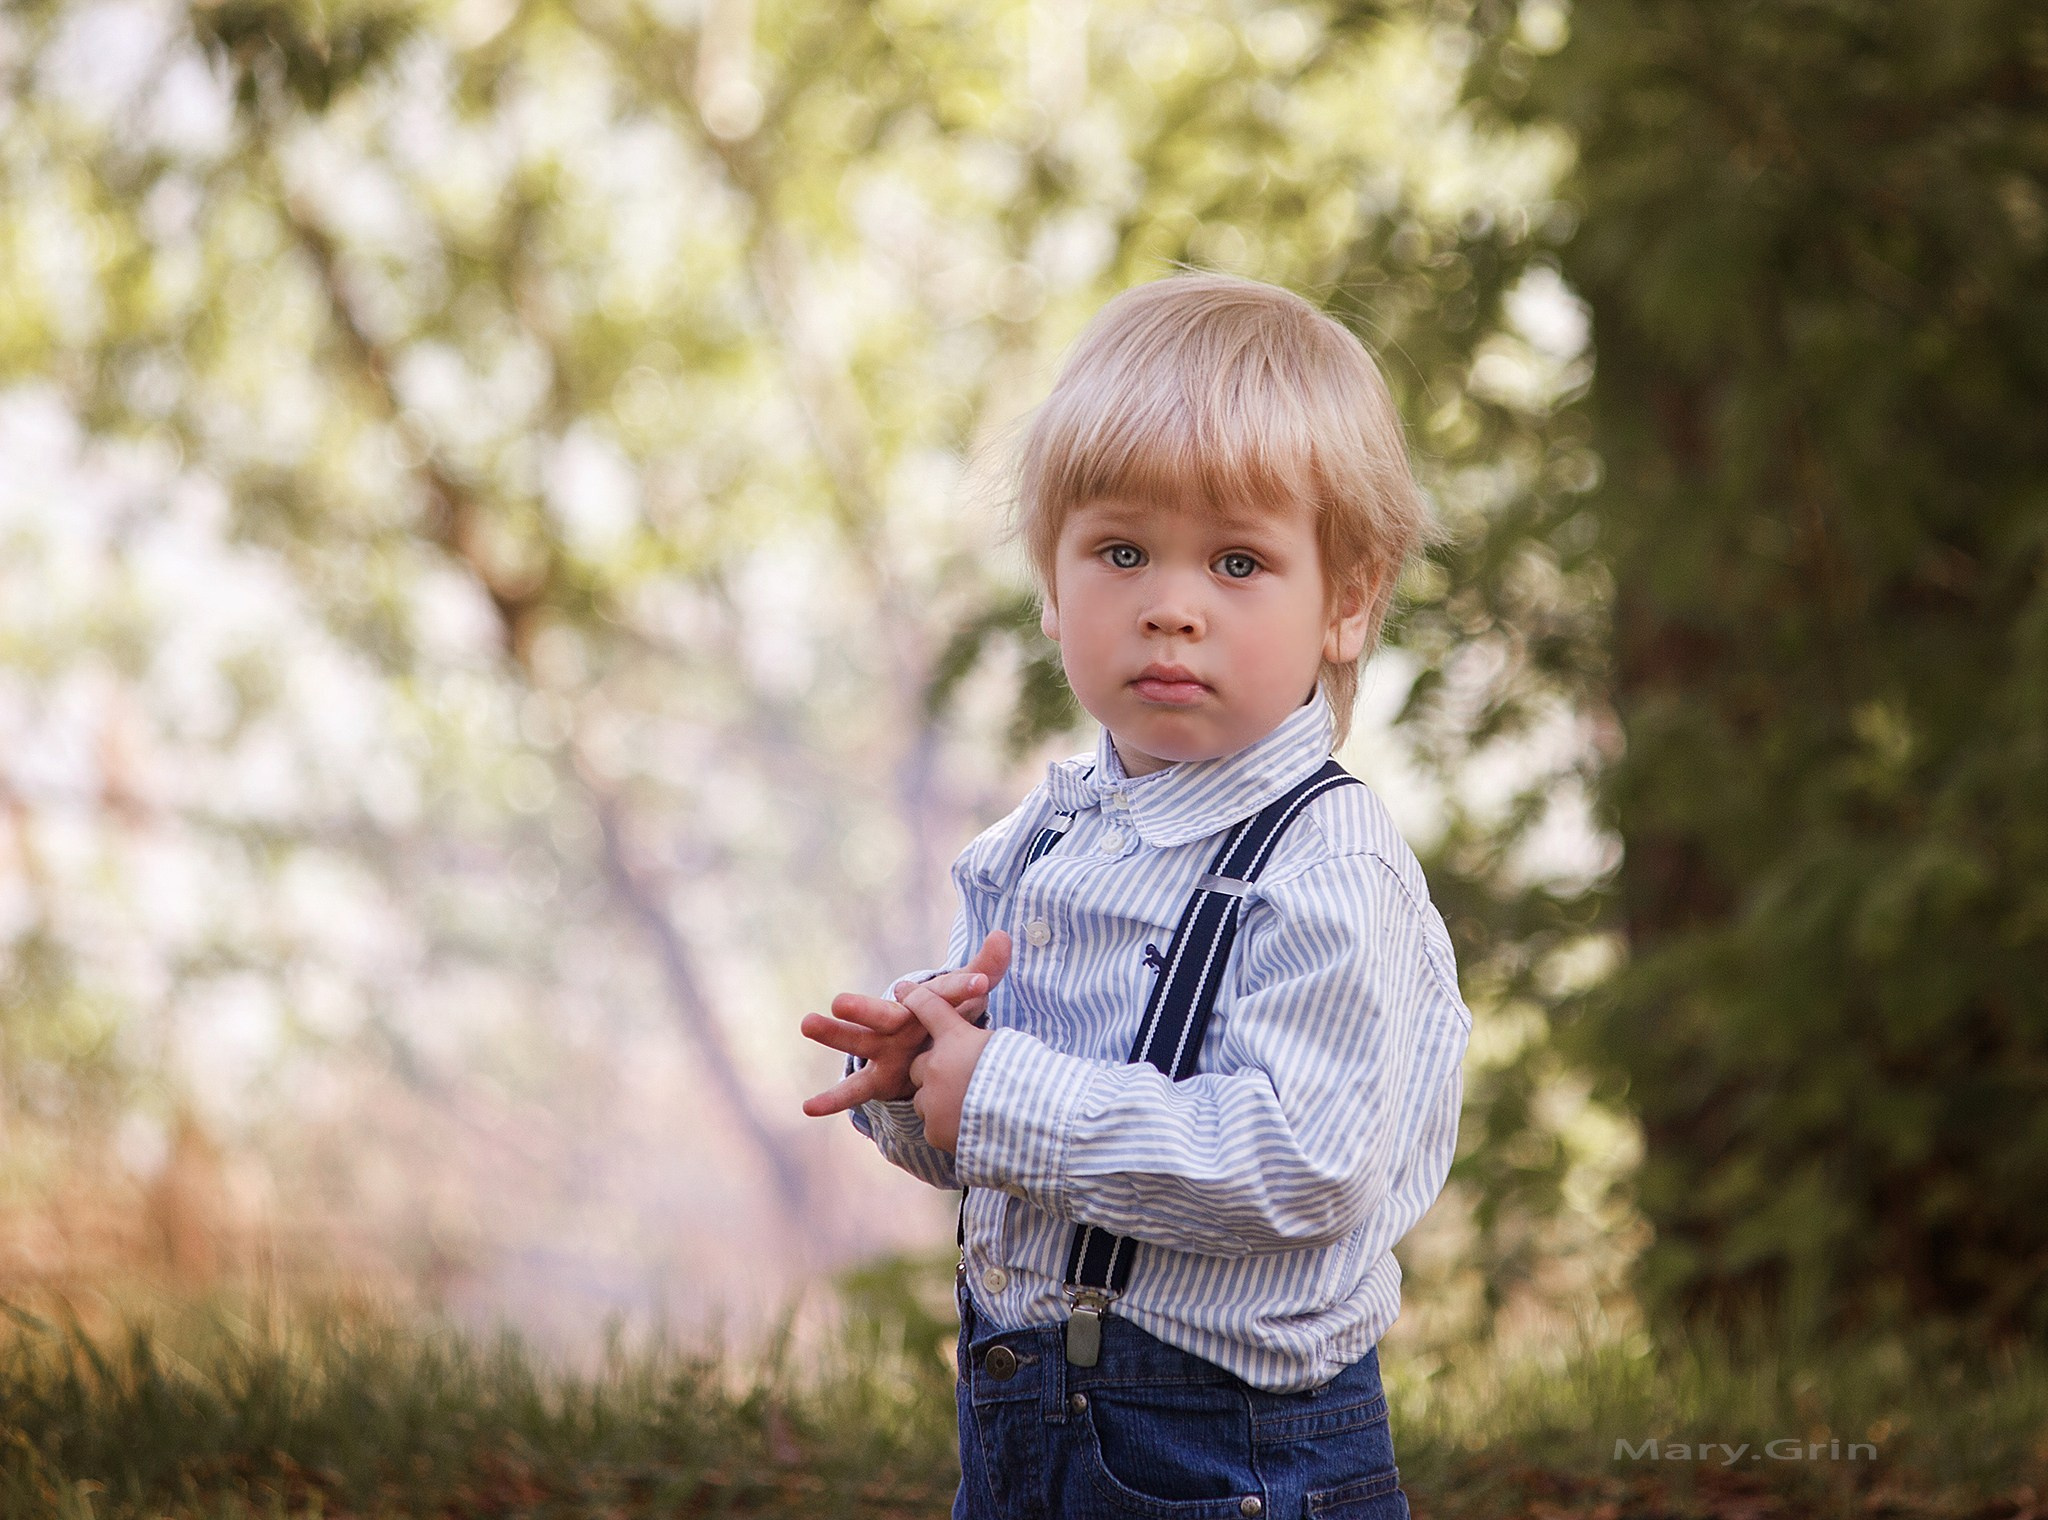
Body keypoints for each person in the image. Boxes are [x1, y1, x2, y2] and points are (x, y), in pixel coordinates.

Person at [799, 272, 1471, 1520]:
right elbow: (1007, 1150)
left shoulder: (1325, 865)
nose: (1170, 605)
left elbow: (1303, 1164)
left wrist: (1001, 1094)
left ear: (1346, 597)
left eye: (1235, 560)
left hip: (1228, 1453)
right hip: (1023, 1414)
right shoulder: (1030, 847)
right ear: (1051, 589)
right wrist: (927, 1082)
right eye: (1120, 551)